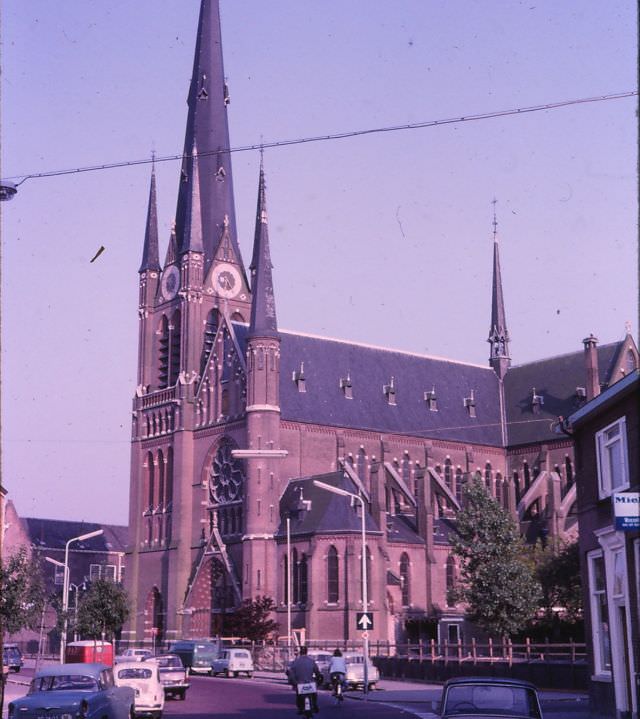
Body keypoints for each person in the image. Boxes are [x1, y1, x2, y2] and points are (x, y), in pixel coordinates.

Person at [288, 646, 321, 714]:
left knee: (299, 697)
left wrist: (294, 682)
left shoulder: (295, 662)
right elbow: (317, 672)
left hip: (300, 683)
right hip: (310, 683)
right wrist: (318, 679)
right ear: (306, 652)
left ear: (300, 652)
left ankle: (300, 709)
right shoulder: (311, 661)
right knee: (314, 695)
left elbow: (291, 673)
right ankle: (314, 705)